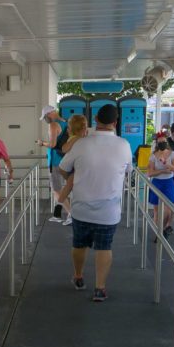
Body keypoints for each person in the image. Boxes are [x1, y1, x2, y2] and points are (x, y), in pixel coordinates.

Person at [56, 103, 132, 302]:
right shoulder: (124, 145)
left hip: (81, 208)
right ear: (115, 123)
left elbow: (63, 168)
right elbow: (128, 171)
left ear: (96, 119)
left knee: (79, 244)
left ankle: (79, 277)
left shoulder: (82, 144)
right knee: (104, 247)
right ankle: (100, 289)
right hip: (109, 210)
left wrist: (74, 178)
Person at [52, 114, 90, 221]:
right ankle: (60, 206)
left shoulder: (75, 138)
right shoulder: (77, 138)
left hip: (74, 167)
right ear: (84, 128)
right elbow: (64, 149)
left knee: (68, 186)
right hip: (78, 168)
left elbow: (64, 149)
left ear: (70, 128)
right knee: (69, 185)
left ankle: (59, 206)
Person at [38, 105, 70, 222]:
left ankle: (71, 214)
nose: (46, 119)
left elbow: (52, 144)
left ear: (51, 113)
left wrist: (42, 143)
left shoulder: (53, 125)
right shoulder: (66, 122)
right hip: (66, 159)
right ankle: (57, 215)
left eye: (46, 116)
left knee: (57, 189)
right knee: (61, 188)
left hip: (55, 161)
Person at [147, 131, 174, 236]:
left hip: (168, 183)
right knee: (156, 210)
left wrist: (166, 163)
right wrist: (162, 171)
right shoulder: (153, 156)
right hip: (157, 183)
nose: (162, 143)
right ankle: (158, 232)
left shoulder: (173, 154)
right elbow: (150, 173)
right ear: (157, 143)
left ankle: (164, 228)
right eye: (160, 142)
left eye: (164, 141)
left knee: (168, 209)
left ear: (167, 142)